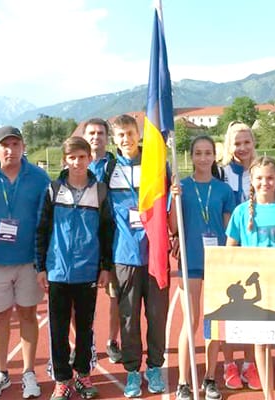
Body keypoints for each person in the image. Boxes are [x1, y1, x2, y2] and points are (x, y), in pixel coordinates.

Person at [0, 126, 51, 399]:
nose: (10, 150)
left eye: (16, 144)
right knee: (0, 317)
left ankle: (28, 372)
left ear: (23, 147)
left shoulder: (39, 177)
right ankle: (0, 372)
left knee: (28, 315)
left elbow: (50, 215)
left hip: (29, 261)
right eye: (5, 145)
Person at [35, 137, 114, 400]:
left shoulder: (100, 191)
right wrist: (40, 267)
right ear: (64, 160)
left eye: (82, 157)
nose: (77, 162)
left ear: (90, 158)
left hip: (87, 270)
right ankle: (61, 380)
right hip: (57, 270)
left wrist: (105, 267)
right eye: (72, 158)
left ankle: (83, 375)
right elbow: (41, 230)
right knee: (57, 329)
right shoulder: (53, 189)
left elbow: (107, 231)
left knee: (85, 328)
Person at [225, 156, 275, 400]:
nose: (265, 182)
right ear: (251, 180)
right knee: (260, 346)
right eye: (259, 178)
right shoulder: (241, 212)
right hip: (256, 294)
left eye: (270, 178)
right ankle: (268, 396)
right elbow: (230, 251)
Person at [105, 114, 169, 398]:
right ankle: (132, 370)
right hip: (124, 255)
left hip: (154, 253)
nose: (126, 139)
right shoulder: (108, 170)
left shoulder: (155, 164)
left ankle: (154, 366)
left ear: (138, 134)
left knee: (156, 316)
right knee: (129, 319)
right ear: (114, 139)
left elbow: (169, 201)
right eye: (120, 135)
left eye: (130, 133)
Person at [169, 136, 236, 400]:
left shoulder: (224, 190)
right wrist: (174, 198)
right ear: (191, 156)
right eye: (198, 153)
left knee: (214, 323)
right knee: (191, 320)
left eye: (208, 153)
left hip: (217, 261)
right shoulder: (182, 187)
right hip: (191, 260)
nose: (203, 158)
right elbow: (173, 226)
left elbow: (229, 229)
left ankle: (209, 378)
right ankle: (183, 382)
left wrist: (229, 260)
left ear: (214, 156)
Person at [219, 120, 261, 390]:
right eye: (237, 143)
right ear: (229, 145)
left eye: (247, 142)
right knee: (229, 310)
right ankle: (228, 363)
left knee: (252, 311)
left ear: (253, 144)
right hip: (228, 249)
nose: (242, 148)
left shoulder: (261, 171)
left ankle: (250, 362)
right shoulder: (220, 172)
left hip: (256, 248)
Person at [81, 118, 122, 363]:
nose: (96, 137)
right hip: (84, 242)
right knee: (80, 297)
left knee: (115, 294)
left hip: (110, 239)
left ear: (107, 138)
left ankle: (112, 340)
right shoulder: (76, 165)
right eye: (92, 133)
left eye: (100, 133)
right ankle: (85, 342)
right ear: (85, 136)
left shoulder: (116, 166)